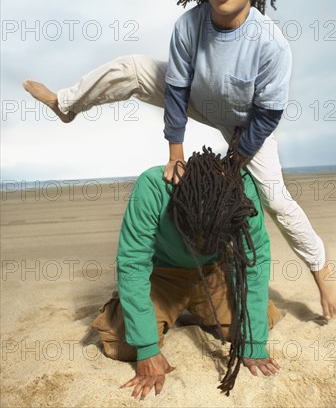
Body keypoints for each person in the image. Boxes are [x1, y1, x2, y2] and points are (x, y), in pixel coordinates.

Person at [23, 0, 336, 320]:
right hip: (198, 96)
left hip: (247, 124)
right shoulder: (189, 25)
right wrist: (175, 149)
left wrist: (236, 161)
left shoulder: (271, 45)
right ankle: (67, 104)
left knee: (275, 198)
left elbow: (268, 117)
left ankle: (321, 269)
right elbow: (174, 90)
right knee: (133, 68)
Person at [92, 145, 282, 400]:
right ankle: (131, 309)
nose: (199, 246)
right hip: (161, 274)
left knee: (250, 329)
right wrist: (147, 349)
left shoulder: (242, 190)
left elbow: (254, 262)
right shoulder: (153, 186)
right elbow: (133, 263)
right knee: (123, 344)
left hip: (213, 272)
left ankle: (194, 312)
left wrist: (254, 342)